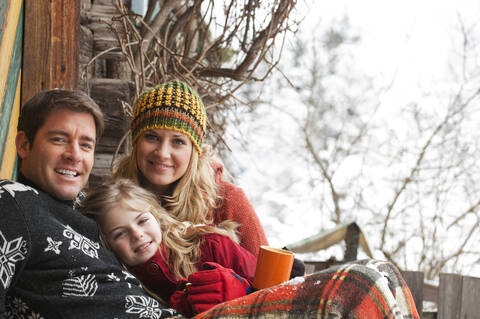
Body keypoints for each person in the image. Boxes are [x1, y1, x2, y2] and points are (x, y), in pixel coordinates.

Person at [0, 89, 181, 318]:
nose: (75, 155)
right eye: (59, 139)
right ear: (24, 144)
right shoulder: (11, 202)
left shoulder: (89, 207)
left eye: (86, 145)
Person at [112, 80, 269, 257]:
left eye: (178, 141)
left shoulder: (227, 201)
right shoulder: (113, 202)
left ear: (194, 151)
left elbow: (268, 278)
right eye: (151, 137)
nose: (162, 153)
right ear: (136, 141)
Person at [78, 178, 257, 317]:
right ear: (107, 245)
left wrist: (243, 290)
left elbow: (273, 288)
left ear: (156, 216)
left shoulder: (211, 245)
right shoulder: (121, 286)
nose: (137, 234)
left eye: (142, 220)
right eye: (120, 233)